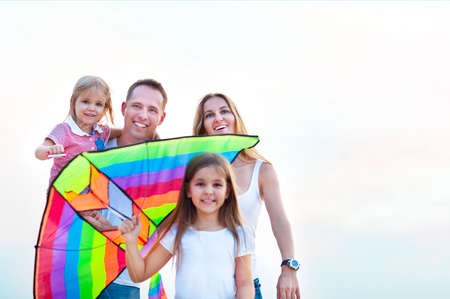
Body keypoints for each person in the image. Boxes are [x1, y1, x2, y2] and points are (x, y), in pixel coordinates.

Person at [193, 93, 301, 299]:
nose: (218, 118)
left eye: (224, 111)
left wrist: (289, 267)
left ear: (236, 118)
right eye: (209, 115)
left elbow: (279, 220)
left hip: (246, 287)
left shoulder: (262, 170)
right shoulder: (192, 172)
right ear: (203, 127)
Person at [120, 152, 255, 299]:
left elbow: (245, 284)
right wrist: (131, 241)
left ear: (227, 191)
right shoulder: (178, 232)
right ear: (188, 190)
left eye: (217, 184)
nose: (209, 191)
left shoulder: (239, 233)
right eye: (200, 184)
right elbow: (140, 274)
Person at [84, 79, 167, 299]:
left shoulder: (162, 169)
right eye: (137, 106)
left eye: (152, 110)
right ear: (124, 108)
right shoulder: (95, 149)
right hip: (80, 272)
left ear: (161, 118)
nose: (143, 115)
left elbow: (167, 225)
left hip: (124, 279)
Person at [35, 75, 119, 184]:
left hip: (90, 194)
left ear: (105, 109)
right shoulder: (65, 130)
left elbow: (125, 132)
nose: (91, 108)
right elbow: (38, 152)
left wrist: (148, 133)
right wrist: (50, 150)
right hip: (64, 194)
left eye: (98, 104)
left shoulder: (102, 132)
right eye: (85, 101)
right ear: (73, 102)